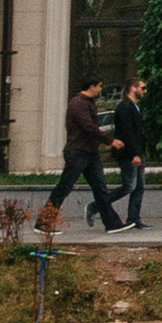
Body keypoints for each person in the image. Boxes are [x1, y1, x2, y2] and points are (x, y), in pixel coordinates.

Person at [47, 77, 114, 232]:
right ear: (91, 86)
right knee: (64, 186)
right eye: (99, 86)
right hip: (78, 151)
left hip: (90, 151)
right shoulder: (78, 103)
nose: (101, 89)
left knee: (100, 188)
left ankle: (112, 223)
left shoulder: (88, 103)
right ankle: (44, 223)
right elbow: (88, 126)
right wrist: (109, 140)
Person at [105, 76, 151, 231]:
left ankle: (133, 218)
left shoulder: (134, 106)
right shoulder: (124, 107)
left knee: (139, 187)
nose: (144, 91)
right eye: (142, 88)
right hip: (127, 153)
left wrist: (140, 152)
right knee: (129, 186)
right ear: (132, 88)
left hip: (137, 152)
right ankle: (98, 204)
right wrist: (134, 154)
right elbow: (127, 132)